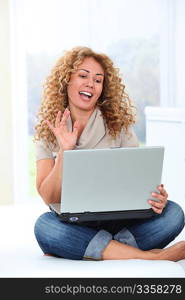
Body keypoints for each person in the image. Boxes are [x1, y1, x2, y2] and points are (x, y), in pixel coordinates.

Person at [34, 46, 185, 261]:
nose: (90, 84)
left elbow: (138, 179)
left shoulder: (118, 125)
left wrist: (157, 197)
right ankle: (148, 257)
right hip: (75, 221)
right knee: (45, 227)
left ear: (102, 88)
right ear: (66, 79)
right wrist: (65, 151)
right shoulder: (49, 128)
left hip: (120, 219)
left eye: (98, 80)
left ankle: (93, 247)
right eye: (83, 76)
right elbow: (48, 197)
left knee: (174, 214)